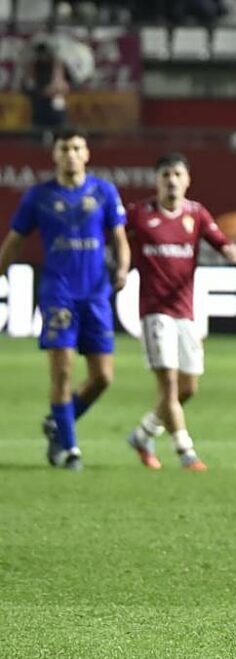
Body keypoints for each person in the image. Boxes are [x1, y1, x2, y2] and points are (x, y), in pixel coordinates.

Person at [0, 129, 130, 471]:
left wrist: (122, 269)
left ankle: (58, 422)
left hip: (96, 294)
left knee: (103, 377)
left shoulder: (104, 192)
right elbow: (15, 240)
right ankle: (70, 449)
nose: (71, 154)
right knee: (62, 371)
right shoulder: (39, 196)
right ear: (54, 155)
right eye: (64, 148)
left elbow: (119, 237)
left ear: (86, 154)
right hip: (58, 292)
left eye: (76, 148)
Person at [124, 152, 236, 471]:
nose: (172, 180)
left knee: (188, 388)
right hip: (155, 312)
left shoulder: (196, 214)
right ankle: (185, 451)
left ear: (188, 180)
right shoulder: (139, 214)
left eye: (177, 174)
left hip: (185, 311)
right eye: (165, 175)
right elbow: (114, 233)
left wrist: (229, 249)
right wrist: (117, 261)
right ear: (156, 180)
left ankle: (143, 434)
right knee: (169, 386)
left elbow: (219, 239)